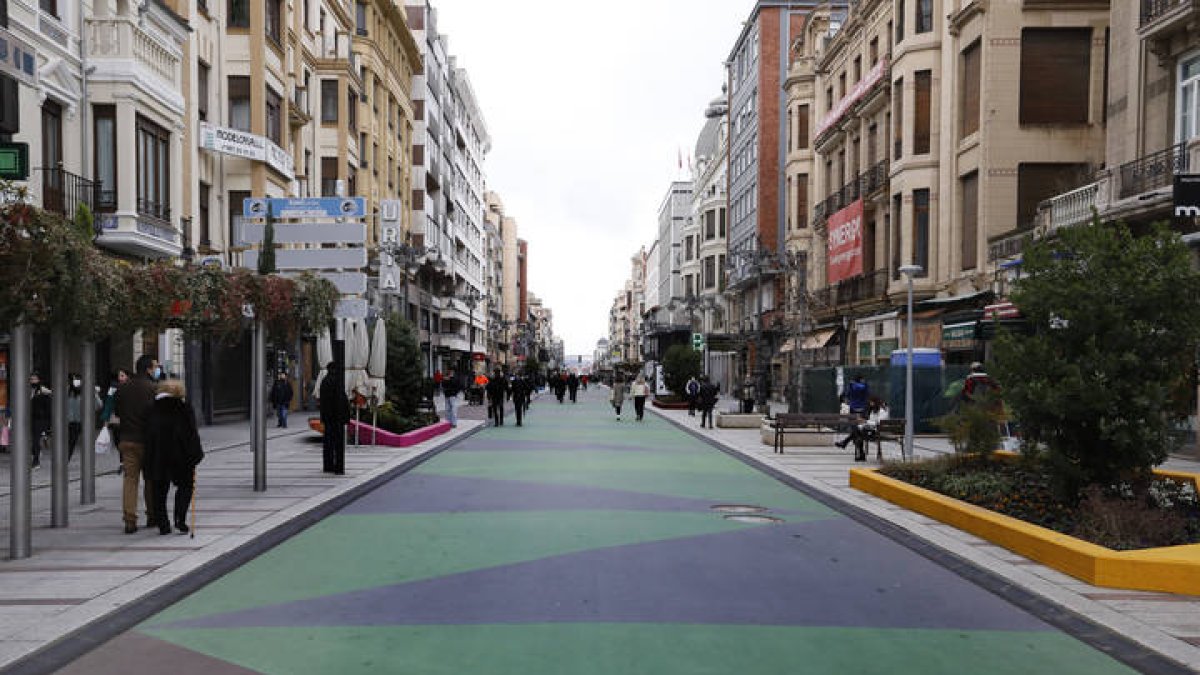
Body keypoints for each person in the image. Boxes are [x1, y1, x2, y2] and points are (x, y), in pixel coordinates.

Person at [142, 379, 204, 535]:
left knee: (159, 490)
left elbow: (147, 435)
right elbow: (192, 434)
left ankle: (163, 524)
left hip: (159, 455)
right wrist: (195, 454)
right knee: (186, 486)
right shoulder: (184, 408)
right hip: (181, 456)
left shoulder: (152, 409)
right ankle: (180, 518)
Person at [114, 355, 160, 533]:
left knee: (130, 480)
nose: (157, 369)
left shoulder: (122, 389)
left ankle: (129, 520)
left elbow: (118, 412)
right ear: (148, 369)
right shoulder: (153, 388)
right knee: (150, 479)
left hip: (127, 439)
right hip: (147, 441)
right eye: (155, 366)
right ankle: (152, 516)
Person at [318, 361, 350, 475]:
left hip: (328, 417)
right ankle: (336, 466)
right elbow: (340, 401)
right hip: (336, 418)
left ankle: (328, 465)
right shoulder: (336, 382)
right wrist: (345, 416)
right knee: (337, 442)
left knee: (328, 442)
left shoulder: (325, 381)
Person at [66, 374, 101, 460]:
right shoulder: (68, 392)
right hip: (72, 422)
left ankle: (87, 462)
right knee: (71, 442)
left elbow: (98, 405)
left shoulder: (87, 393)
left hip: (84, 421)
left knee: (87, 442)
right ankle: (66, 459)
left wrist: (95, 394)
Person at [29, 372, 52, 469]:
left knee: (35, 440)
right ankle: (36, 453)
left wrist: (48, 424)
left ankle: (36, 461)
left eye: (35, 379)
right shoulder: (28, 390)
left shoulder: (43, 391)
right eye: (31, 379)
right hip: (29, 418)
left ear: (39, 380)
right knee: (32, 440)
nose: (33, 381)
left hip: (40, 419)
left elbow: (48, 407)